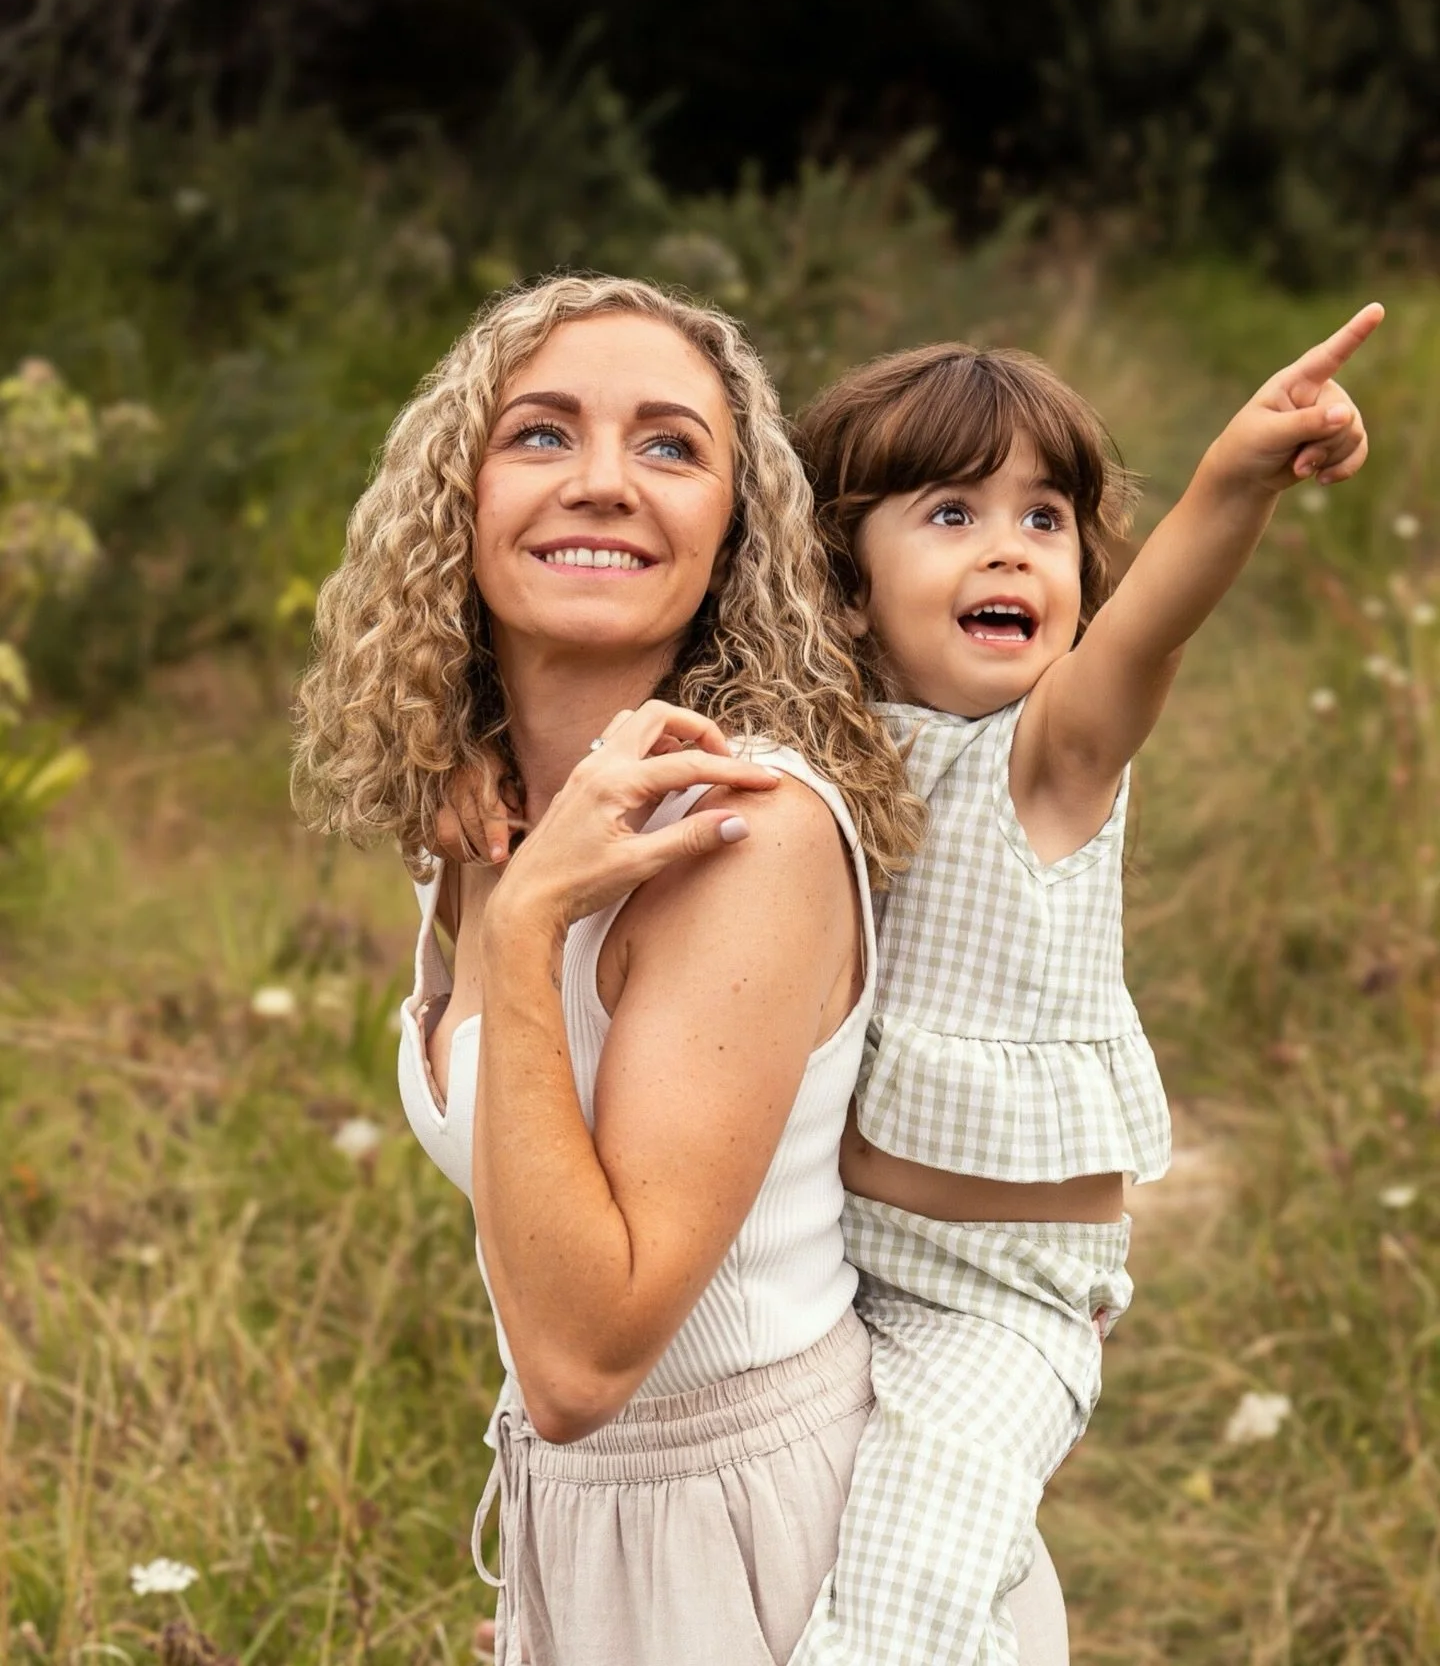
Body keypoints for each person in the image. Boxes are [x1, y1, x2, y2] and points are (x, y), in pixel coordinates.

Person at [291, 274, 1072, 1665]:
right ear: (454, 500)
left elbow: (586, 1364)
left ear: (735, 531)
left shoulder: (738, 829)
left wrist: (525, 932)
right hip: (594, 1529)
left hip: (777, 1548)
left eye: (669, 445)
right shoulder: (481, 811)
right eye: (540, 435)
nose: (602, 483)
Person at [782, 305, 1382, 1665]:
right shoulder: (827, 750)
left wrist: (1238, 473)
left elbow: (1151, 630)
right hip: (832, 1270)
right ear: (843, 583)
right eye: (949, 513)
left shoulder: (1050, 756)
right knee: (828, 1560)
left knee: (901, 1610)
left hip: (1000, 1305)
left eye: (1045, 519)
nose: (1008, 545)